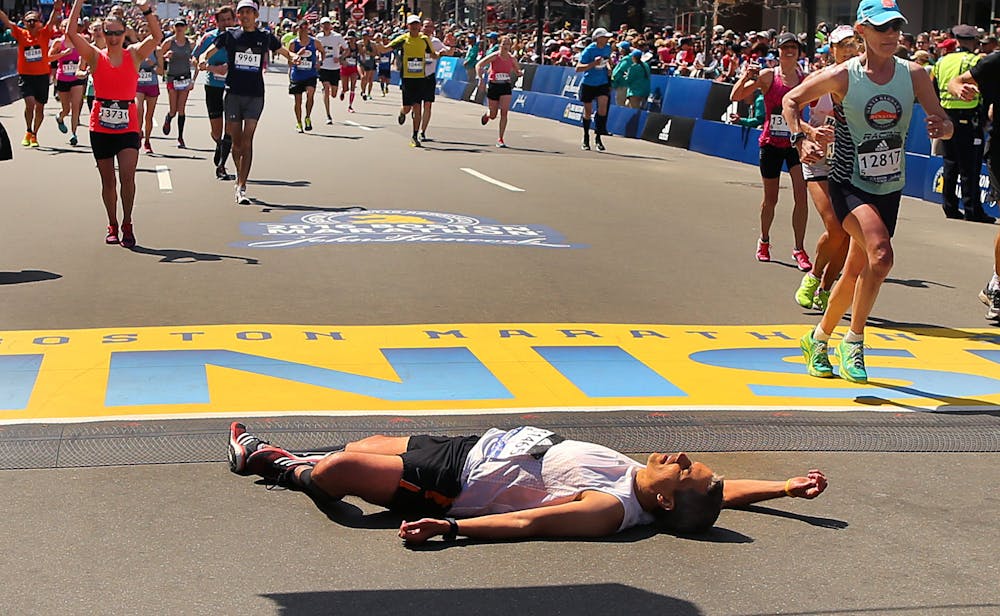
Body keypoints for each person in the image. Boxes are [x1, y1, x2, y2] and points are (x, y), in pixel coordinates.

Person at [227, 422, 828, 543]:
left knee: (339, 473)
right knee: (360, 447)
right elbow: (718, 494)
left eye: (684, 466)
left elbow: (528, 522)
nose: (682, 455)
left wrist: (453, 526)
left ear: (664, 497)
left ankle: (273, 463)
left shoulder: (611, 507)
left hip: (453, 485)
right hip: (475, 447)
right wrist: (783, 487)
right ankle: (298, 461)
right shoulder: (659, 486)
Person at [788, 0, 954, 383]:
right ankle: (854, 340)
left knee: (855, 270)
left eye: (896, 27)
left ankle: (817, 338)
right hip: (847, 182)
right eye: (882, 28)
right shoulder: (843, 76)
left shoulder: (914, 74)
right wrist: (804, 136)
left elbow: (943, 122)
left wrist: (942, 129)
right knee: (881, 256)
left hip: (889, 186)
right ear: (862, 31)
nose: (891, 35)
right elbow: (791, 100)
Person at [65, 0, 162, 248]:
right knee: (108, 181)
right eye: (108, 33)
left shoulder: (135, 54)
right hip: (101, 126)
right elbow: (71, 33)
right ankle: (112, 224)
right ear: (103, 34)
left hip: (128, 124)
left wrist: (146, 10)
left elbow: (157, 36)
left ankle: (127, 222)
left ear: (124, 33)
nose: (113, 37)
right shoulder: (95, 57)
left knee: (127, 177)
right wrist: (78, 3)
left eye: (118, 32)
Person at [199, 0, 300, 205]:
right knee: (236, 143)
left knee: (248, 140)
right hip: (233, 94)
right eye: (241, 12)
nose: (245, 16)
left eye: (248, 12)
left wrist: (293, 56)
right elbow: (207, 52)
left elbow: (284, 51)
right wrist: (202, 59)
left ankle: (241, 185)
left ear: (256, 15)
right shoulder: (230, 35)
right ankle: (239, 173)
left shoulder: (265, 37)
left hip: (255, 95)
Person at [731, 32, 812, 271]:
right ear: (778, 51)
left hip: (795, 143)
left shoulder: (805, 80)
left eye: (794, 48)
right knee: (771, 199)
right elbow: (736, 95)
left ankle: (799, 248)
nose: (789, 52)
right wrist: (746, 76)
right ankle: (764, 240)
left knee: (801, 195)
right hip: (770, 144)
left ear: (799, 52)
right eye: (785, 47)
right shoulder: (768, 76)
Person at [793, 25, 859, 312]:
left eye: (851, 44)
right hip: (818, 158)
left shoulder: (866, 80)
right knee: (834, 225)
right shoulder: (819, 79)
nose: (846, 50)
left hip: (850, 162)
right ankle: (814, 276)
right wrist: (809, 132)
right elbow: (790, 108)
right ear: (830, 49)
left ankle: (826, 288)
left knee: (849, 231)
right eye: (840, 45)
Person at [949, 41, 1000, 320]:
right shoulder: (995, 62)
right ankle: (999, 286)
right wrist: (958, 88)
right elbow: (957, 81)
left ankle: (994, 282)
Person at [932, 25, 993, 223]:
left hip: (946, 117)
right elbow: (985, 89)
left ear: (956, 40)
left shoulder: (941, 61)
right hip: (969, 118)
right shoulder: (975, 61)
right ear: (974, 41)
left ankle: (949, 207)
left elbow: (933, 88)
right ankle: (972, 209)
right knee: (970, 166)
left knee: (950, 163)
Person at [0, 2, 63, 147]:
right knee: (30, 104)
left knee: (39, 108)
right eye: (29, 21)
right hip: (26, 76)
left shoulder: (45, 33)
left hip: (42, 76)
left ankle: (34, 134)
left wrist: (57, 7)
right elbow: (6, 21)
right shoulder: (21, 34)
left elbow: (53, 19)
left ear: (40, 23)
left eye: (34, 20)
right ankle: (28, 130)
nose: (32, 23)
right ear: (24, 23)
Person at [373, 14, 438, 148]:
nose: (414, 27)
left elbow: (433, 55)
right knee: (408, 108)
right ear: (408, 26)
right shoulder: (402, 39)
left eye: (416, 24)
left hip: (420, 78)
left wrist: (442, 52)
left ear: (419, 26)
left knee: (418, 107)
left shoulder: (425, 39)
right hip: (407, 78)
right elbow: (385, 49)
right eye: (412, 25)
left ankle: (415, 135)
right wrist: (377, 42)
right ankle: (402, 112)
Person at [193, 4, 236, 179]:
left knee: (231, 128)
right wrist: (212, 68)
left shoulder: (239, 37)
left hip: (234, 87)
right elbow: (196, 58)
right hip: (213, 87)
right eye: (223, 20)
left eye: (229, 19)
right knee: (217, 131)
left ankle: (222, 165)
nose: (226, 23)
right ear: (216, 22)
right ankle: (219, 144)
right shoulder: (209, 37)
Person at [476, 34, 521, 148]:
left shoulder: (512, 58)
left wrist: (519, 73)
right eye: (503, 44)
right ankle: (487, 115)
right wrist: (480, 79)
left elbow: (517, 70)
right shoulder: (495, 56)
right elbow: (479, 65)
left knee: (504, 112)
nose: (506, 46)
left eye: (508, 44)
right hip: (494, 85)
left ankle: (500, 138)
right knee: (493, 115)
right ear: (499, 45)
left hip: (505, 86)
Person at [159, 19, 196, 148]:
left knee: (181, 109)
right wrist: (164, 57)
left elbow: (197, 57)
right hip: (172, 77)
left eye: (182, 25)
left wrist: (194, 63)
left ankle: (180, 137)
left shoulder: (190, 43)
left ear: (186, 27)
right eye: (177, 26)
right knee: (173, 110)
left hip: (185, 77)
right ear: (174, 27)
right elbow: (158, 54)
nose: (179, 28)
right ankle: (169, 118)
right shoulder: (169, 42)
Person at [49, 21, 87, 146]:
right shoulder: (58, 42)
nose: (68, 28)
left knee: (76, 105)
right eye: (65, 26)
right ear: (61, 28)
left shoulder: (81, 41)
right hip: (63, 79)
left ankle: (73, 133)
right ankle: (60, 117)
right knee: (67, 109)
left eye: (71, 26)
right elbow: (49, 58)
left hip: (76, 78)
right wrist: (62, 54)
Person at [576, 28, 613, 152]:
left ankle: (598, 137)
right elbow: (578, 68)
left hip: (602, 82)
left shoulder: (608, 48)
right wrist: (593, 63)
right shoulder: (589, 50)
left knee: (602, 109)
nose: (607, 39)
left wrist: (608, 67)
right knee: (588, 112)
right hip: (589, 83)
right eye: (605, 37)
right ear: (598, 38)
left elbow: (607, 60)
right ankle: (586, 137)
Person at [287, 19, 323, 133]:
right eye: (301, 27)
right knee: (298, 101)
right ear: (298, 29)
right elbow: (289, 61)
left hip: (310, 74)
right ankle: (299, 122)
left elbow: (322, 51)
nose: (303, 29)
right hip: (297, 75)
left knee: (310, 94)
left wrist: (319, 62)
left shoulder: (314, 42)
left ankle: (307, 117)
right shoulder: (293, 43)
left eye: (305, 27)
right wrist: (298, 55)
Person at [134, 22, 162, 154]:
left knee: (149, 116)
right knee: (138, 111)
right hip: (138, 85)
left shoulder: (157, 50)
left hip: (152, 84)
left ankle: (147, 141)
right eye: (141, 30)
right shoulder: (133, 49)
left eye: (146, 30)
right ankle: (138, 134)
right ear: (138, 33)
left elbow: (162, 71)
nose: (144, 33)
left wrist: (153, 65)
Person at [418, 19, 448, 142]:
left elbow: (446, 50)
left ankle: (422, 131)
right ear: (421, 27)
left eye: (430, 26)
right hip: (416, 76)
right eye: (426, 26)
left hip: (429, 76)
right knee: (415, 106)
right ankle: (415, 126)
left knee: (428, 105)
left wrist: (445, 50)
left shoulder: (435, 42)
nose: (428, 29)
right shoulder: (416, 40)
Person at [315, 17, 346, 124]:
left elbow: (347, 49)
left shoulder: (337, 36)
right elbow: (316, 50)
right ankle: (328, 115)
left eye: (328, 24)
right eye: (324, 24)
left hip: (335, 67)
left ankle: (331, 91)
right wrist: (318, 60)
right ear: (321, 26)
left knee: (333, 93)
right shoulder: (318, 37)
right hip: (324, 67)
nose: (326, 26)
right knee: (326, 88)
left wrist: (341, 58)